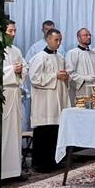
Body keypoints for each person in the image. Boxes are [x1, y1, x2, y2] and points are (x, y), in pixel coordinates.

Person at [28, 28, 71, 172]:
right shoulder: (39, 57)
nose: (58, 43)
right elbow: (34, 78)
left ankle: (53, 161)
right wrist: (55, 76)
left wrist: (65, 76)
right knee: (43, 132)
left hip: (57, 99)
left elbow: (63, 76)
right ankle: (40, 164)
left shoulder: (60, 57)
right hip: (44, 102)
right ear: (48, 39)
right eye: (55, 40)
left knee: (54, 131)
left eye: (60, 40)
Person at [2, 20, 27, 181]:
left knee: (15, 133)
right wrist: (12, 70)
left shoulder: (16, 50)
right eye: (10, 31)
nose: (13, 34)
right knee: (4, 133)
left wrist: (21, 70)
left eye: (14, 31)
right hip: (3, 93)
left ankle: (15, 170)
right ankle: (3, 171)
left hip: (15, 93)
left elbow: (25, 68)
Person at [65, 28, 95, 101]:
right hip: (81, 89)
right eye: (85, 35)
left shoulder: (94, 54)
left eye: (89, 35)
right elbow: (70, 73)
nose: (88, 37)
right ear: (78, 38)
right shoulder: (72, 53)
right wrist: (84, 78)